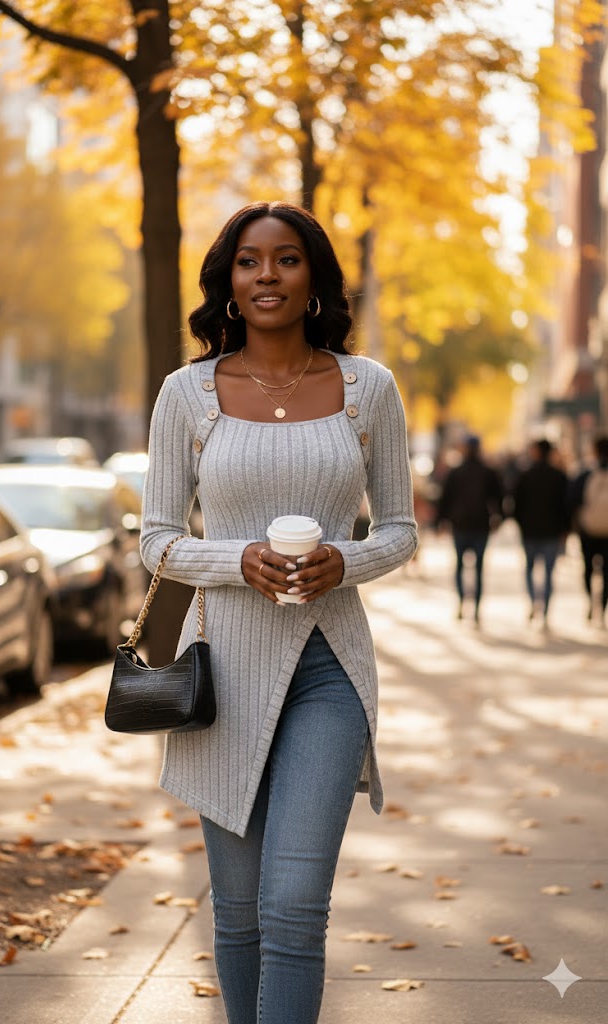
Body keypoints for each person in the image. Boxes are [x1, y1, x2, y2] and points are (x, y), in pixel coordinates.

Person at [139, 201, 417, 1024]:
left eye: (287, 259)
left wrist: (345, 559)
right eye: (251, 261)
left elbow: (399, 528)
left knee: (293, 905)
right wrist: (237, 560)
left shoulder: (369, 388)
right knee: (238, 912)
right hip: (220, 671)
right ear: (229, 280)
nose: (268, 275)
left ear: (313, 279)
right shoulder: (186, 394)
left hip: (329, 669)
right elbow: (156, 541)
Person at [436, 434, 503, 623]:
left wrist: (441, 521)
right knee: (479, 568)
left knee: (459, 566)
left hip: (460, 525)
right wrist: (499, 519)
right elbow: (498, 497)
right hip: (481, 525)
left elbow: (445, 499)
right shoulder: (488, 472)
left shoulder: (456, 472)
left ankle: (461, 602)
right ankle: (476, 609)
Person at [512, 438, 570, 624]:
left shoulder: (526, 475)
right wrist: (565, 529)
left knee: (530, 569)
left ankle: (534, 601)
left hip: (530, 531)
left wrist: (520, 524)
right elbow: (566, 505)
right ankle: (544, 608)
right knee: (548, 572)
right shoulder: (559, 476)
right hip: (552, 532)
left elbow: (516, 505)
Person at [568, 434, 608, 624]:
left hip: (588, 530)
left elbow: (573, 501)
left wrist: (573, 526)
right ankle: (604, 605)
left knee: (588, 568)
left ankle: (591, 602)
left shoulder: (585, 473)